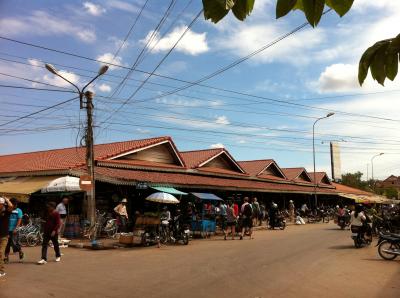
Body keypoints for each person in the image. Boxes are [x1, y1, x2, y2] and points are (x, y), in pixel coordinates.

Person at [4, 198, 24, 263]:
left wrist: (16, 228)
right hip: (7, 230)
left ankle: (20, 251)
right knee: (7, 244)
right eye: (14, 204)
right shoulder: (8, 210)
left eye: (16, 204)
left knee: (14, 243)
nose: (15, 205)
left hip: (15, 230)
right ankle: (6, 257)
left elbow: (19, 220)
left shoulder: (19, 210)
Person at [0, 197, 13, 277]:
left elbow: (11, 206)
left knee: (0, 253)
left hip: (4, 237)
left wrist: (6, 199)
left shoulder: (6, 212)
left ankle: (1, 271)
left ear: (2, 204)